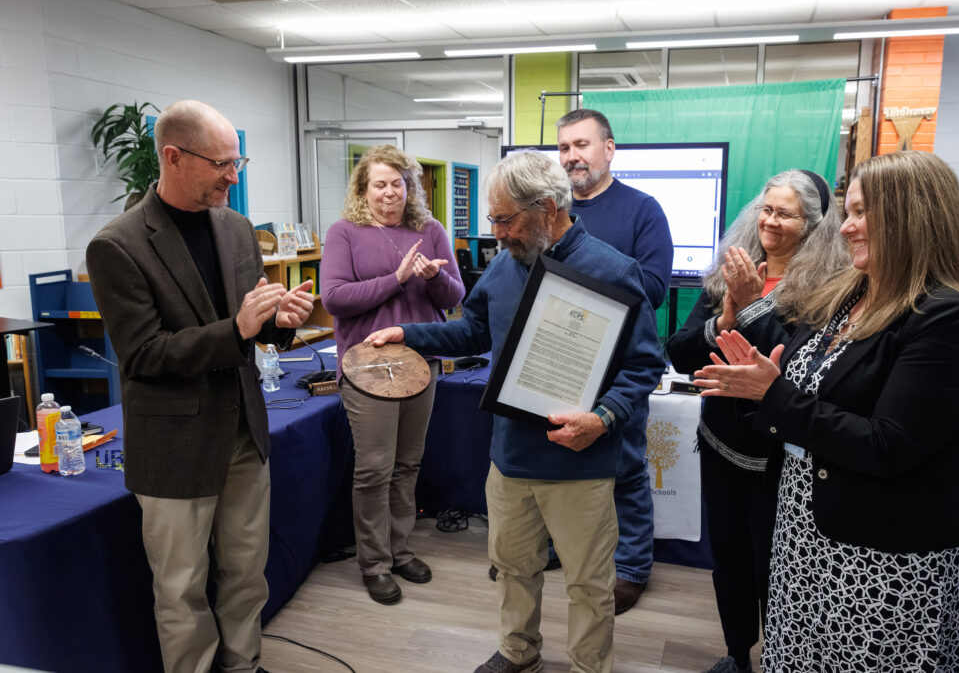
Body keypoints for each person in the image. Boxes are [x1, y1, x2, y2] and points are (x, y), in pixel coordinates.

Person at [366, 151, 665, 673]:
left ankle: (590, 665)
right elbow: (471, 331)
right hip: (510, 459)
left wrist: (602, 418)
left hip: (581, 462)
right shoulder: (506, 265)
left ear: (547, 207)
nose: (497, 233)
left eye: (505, 220)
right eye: (493, 219)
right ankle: (518, 651)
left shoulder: (615, 272)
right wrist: (409, 334)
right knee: (512, 568)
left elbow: (644, 366)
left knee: (589, 583)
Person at [692, 151, 959, 671]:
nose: (846, 228)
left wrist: (771, 394)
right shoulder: (850, 292)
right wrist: (758, 380)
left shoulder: (947, 316)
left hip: (880, 560)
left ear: (909, 217)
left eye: (858, 214)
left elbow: (888, 444)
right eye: (845, 213)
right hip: (805, 538)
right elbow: (800, 382)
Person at [86, 100, 314, 673]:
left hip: (242, 433)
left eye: (237, 163)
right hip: (174, 444)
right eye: (221, 164)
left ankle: (243, 664)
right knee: (182, 587)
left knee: (245, 571)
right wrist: (236, 328)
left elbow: (250, 326)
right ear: (172, 156)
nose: (233, 178)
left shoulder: (237, 229)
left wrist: (277, 323)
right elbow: (143, 354)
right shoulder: (118, 245)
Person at [666, 169, 848, 673]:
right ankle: (736, 654)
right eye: (766, 209)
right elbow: (680, 354)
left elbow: (795, 369)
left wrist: (747, 307)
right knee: (729, 561)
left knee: (779, 570)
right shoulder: (735, 270)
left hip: (782, 457)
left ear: (813, 225)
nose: (770, 221)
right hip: (721, 443)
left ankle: (782, 659)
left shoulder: (830, 290)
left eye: (785, 213)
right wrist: (725, 317)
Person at [321, 144, 465, 605]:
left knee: (407, 466)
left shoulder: (431, 230)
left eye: (398, 183)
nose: (390, 193)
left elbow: (453, 296)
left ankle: (401, 551)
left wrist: (430, 278)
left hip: (422, 365)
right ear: (364, 189)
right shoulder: (344, 232)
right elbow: (335, 299)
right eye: (380, 184)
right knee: (375, 469)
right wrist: (398, 278)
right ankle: (374, 563)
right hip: (367, 369)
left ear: (410, 187)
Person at [555, 108, 673, 614]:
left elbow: (653, 289)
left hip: (621, 363)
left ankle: (631, 568)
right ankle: (558, 550)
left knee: (625, 469)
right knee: (558, 454)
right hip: (562, 354)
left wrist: (588, 278)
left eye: (582, 145)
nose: (572, 156)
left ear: (609, 149)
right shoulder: (553, 210)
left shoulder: (643, 210)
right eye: (563, 148)